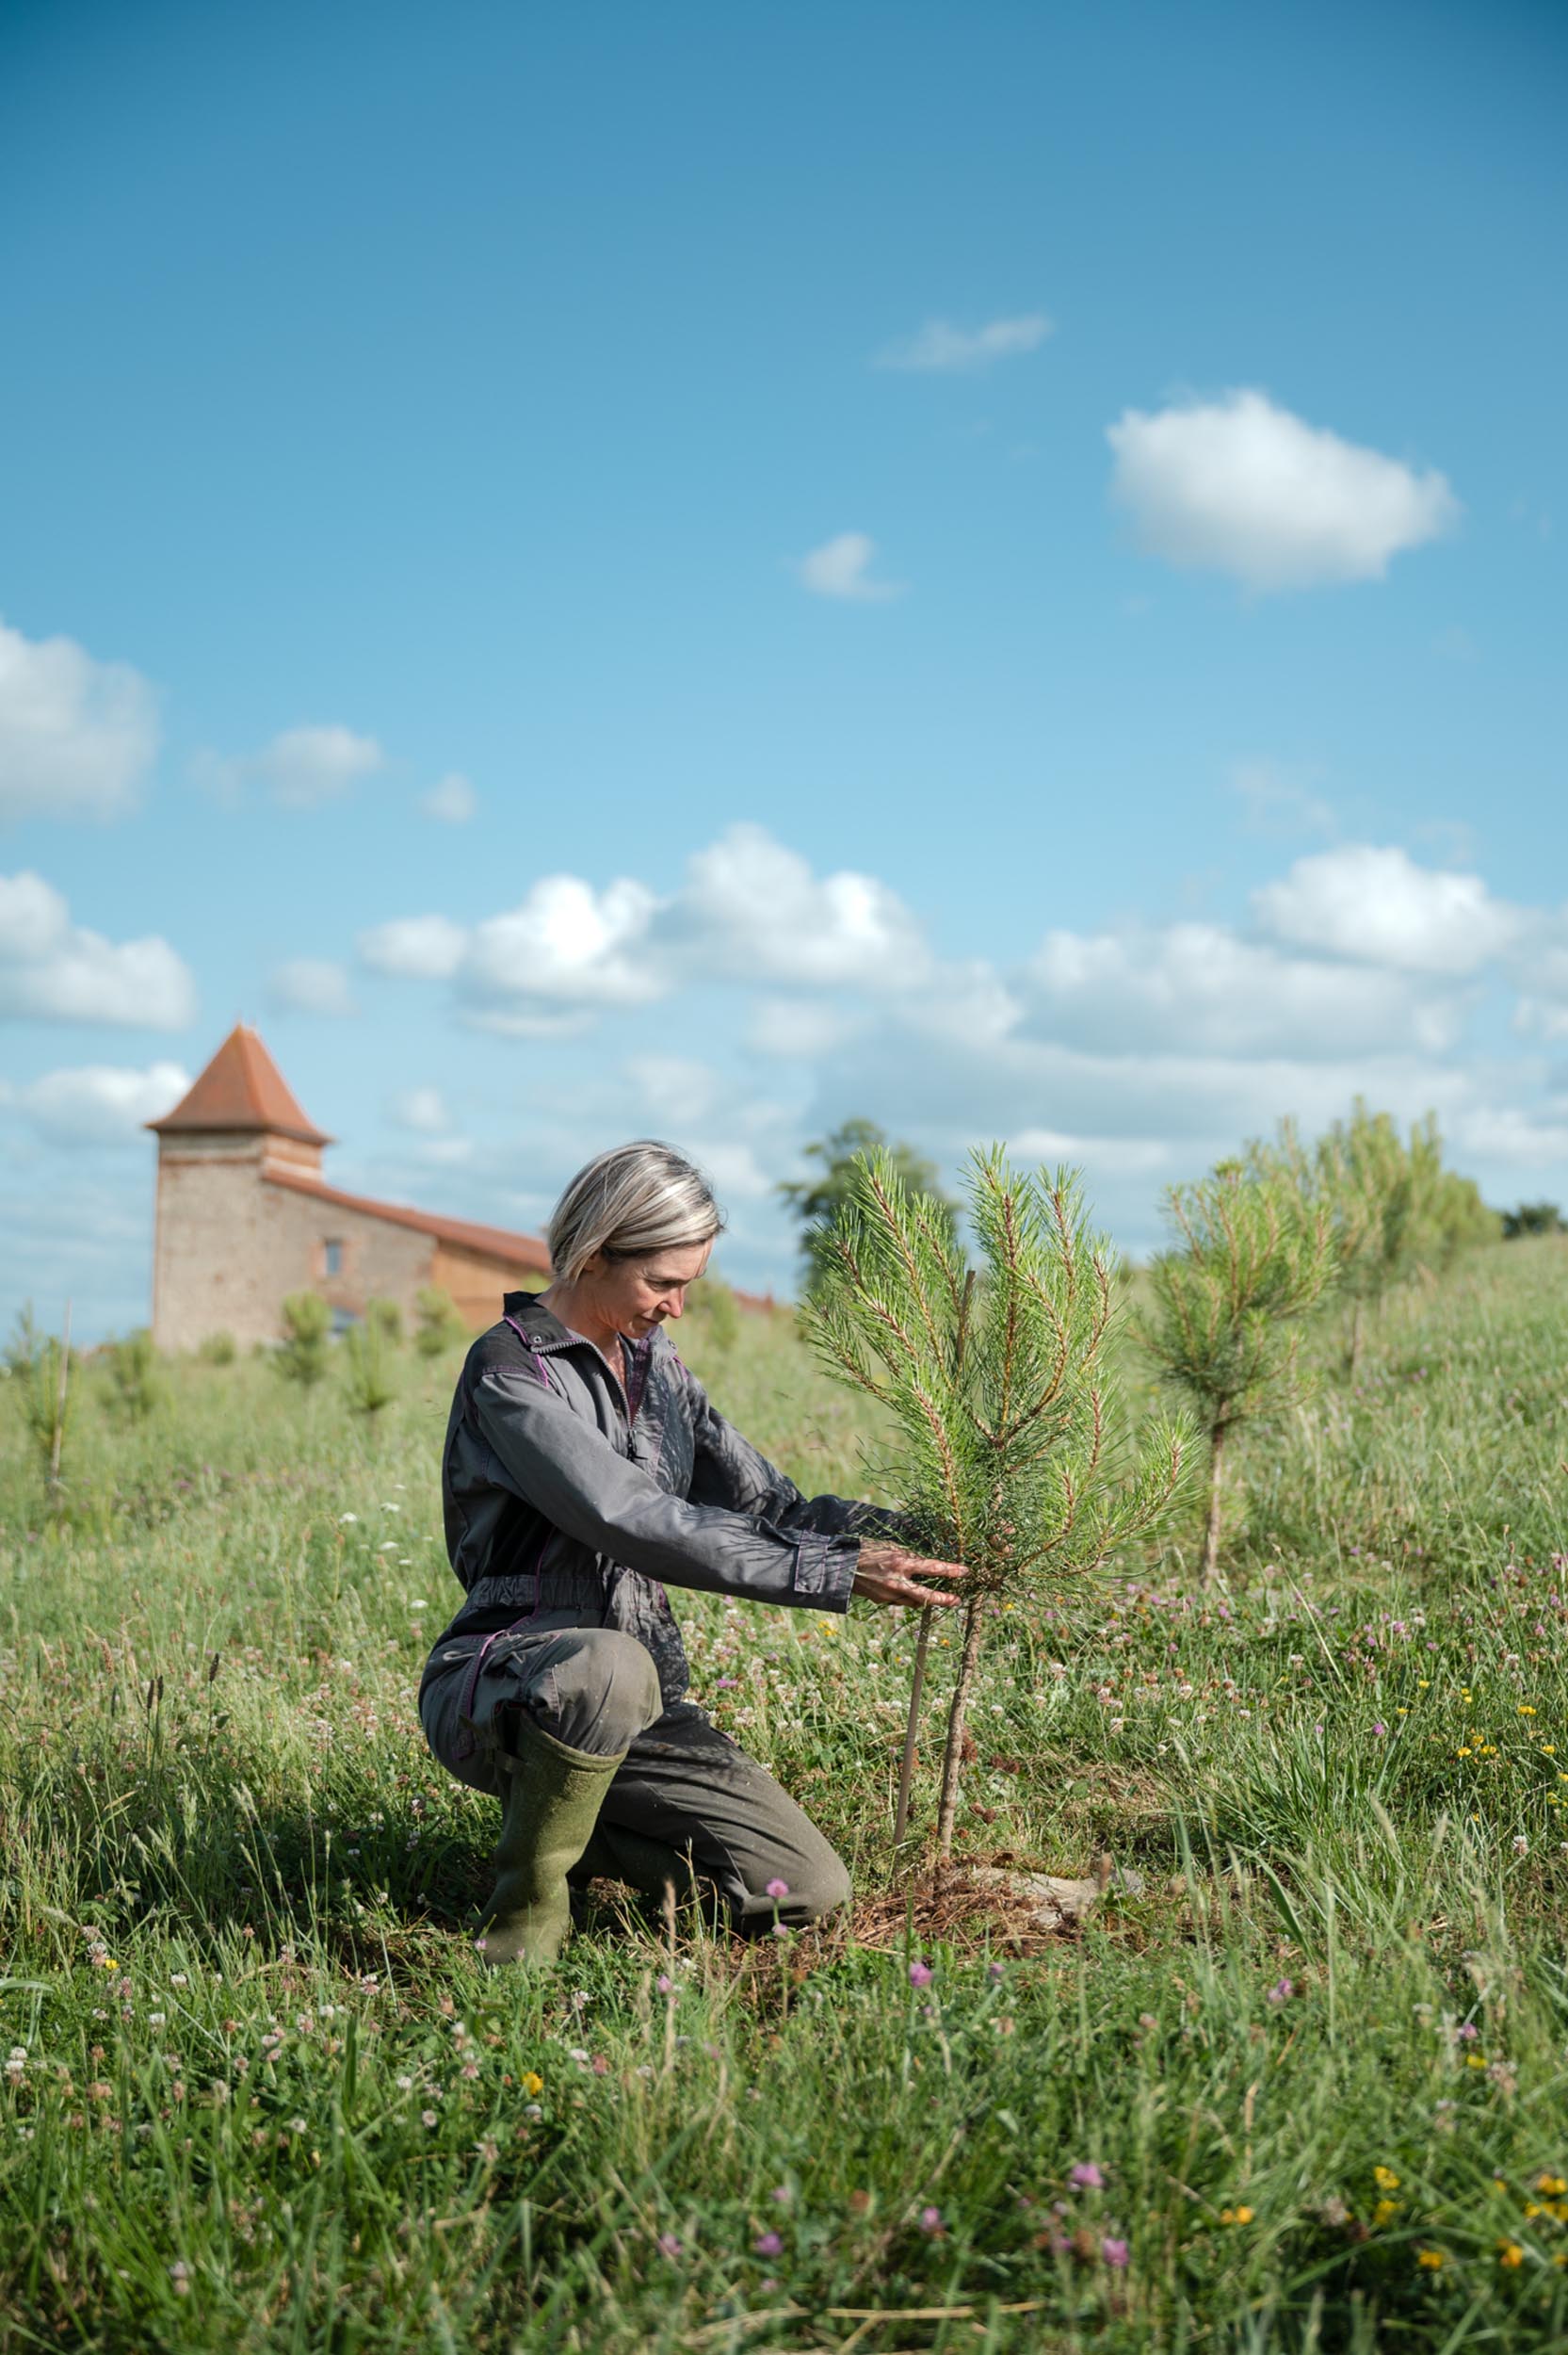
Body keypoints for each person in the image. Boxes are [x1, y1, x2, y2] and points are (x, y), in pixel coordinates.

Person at [418, 1139, 966, 1964]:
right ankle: (520, 1929)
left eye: (688, 1285)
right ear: (594, 1253)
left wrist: (934, 1537)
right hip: (511, 1681)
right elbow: (630, 1517)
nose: (676, 1306)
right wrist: (826, 1575)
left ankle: (569, 1835)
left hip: (644, 1706)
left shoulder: (654, 1365)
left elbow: (768, 1504)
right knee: (608, 1666)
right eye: (662, 1282)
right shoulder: (510, 1372)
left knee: (805, 1889)